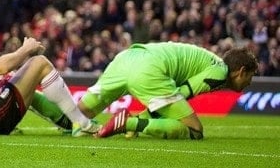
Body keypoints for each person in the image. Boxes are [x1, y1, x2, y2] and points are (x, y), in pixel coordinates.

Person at [76, 41, 258, 140]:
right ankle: (128, 124)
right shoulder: (220, 72)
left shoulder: (209, 62)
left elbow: (171, 102)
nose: (249, 83)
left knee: (74, 115)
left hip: (127, 58)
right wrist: (137, 121)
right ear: (241, 71)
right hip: (149, 68)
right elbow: (183, 93)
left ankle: (48, 104)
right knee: (195, 130)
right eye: (250, 76)